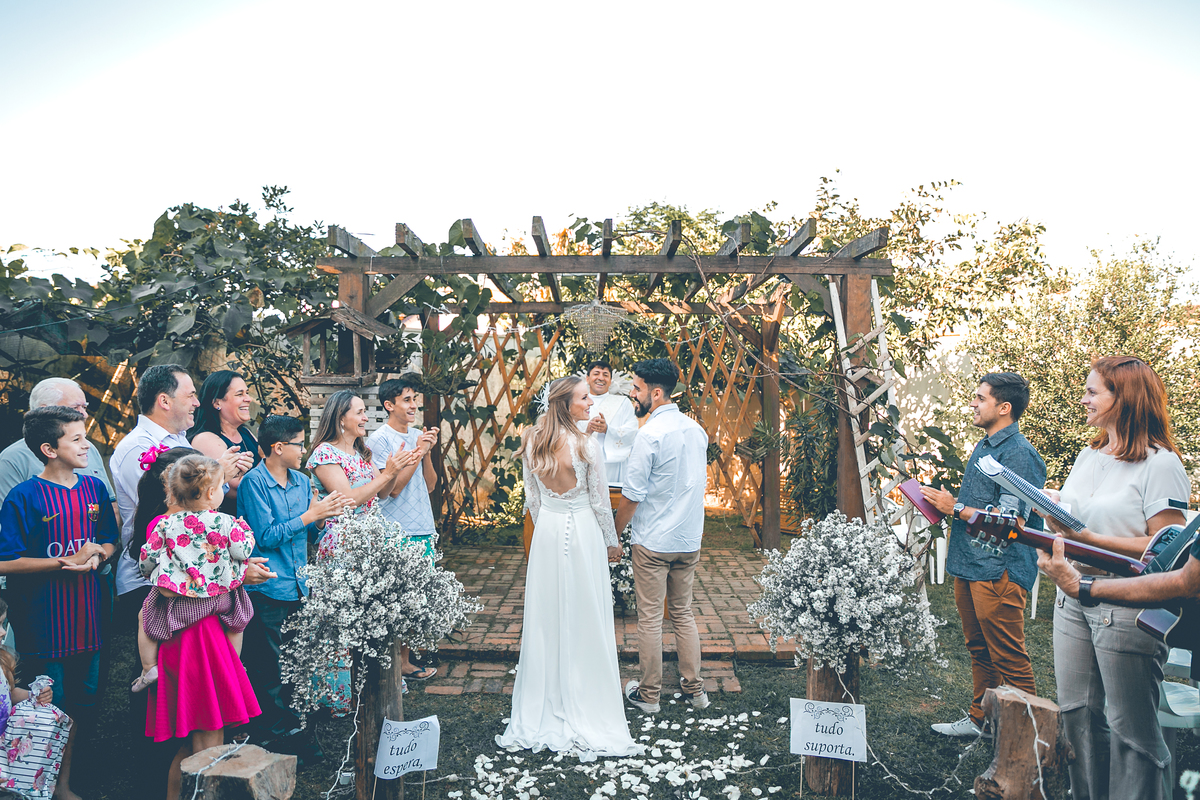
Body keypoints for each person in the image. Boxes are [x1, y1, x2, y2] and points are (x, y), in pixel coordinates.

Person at [1044, 356, 1190, 800]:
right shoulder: (1089, 454)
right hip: (1070, 599)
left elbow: (1168, 546)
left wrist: (1091, 536)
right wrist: (1052, 511)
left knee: (1130, 731)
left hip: (1124, 605)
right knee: (1078, 717)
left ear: (1124, 399)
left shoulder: (1160, 464)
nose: (1083, 399)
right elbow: (1076, 515)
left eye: (1093, 392)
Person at [496, 375, 642, 760]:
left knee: (546, 618)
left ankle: (545, 700)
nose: (591, 402)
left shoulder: (532, 441)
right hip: (582, 531)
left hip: (547, 531)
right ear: (565, 404)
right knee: (587, 613)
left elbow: (533, 501)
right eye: (583, 398)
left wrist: (547, 530)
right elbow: (597, 502)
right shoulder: (585, 445)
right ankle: (587, 696)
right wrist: (612, 542)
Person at [919, 373, 1044, 738]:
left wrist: (955, 508)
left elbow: (1013, 523)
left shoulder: (1019, 455)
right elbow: (980, 508)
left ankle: (1026, 739)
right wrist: (944, 506)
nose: (973, 403)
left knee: (1009, 657)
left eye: (980, 398)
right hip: (970, 564)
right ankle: (982, 720)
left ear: (1004, 408)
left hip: (999, 570)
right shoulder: (985, 445)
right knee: (979, 649)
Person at [0, 407, 118, 743]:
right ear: (49, 450)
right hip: (43, 623)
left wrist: (99, 555)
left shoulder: (94, 489)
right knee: (51, 703)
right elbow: (4, 562)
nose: (86, 446)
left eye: (86, 437)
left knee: (86, 698)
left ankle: (75, 773)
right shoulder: (23, 497)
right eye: (77, 439)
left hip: (89, 618)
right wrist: (64, 561)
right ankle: (44, 782)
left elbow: (109, 539)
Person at [238, 415, 350, 755]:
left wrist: (324, 517)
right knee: (270, 667)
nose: (304, 450)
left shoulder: (303, 483)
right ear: (278, 447)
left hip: (302, 587)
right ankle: (276, 734)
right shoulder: (253, 484)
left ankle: (298, 729)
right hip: (269, 588)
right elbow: (266, 537)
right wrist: (310, 517)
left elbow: (310, 534)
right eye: (299, 444)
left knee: (298, 662)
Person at [109, 365, 253, 621]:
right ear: (164, 401)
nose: (197, 403)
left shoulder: (179, 440)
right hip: (154, 577)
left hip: (190, 569)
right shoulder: (137, 448)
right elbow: (168, 509)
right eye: (190, 396)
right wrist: (220, 476)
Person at [613, 358, 710, 714]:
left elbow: (632, 495)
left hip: (653, 543)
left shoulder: (649, 435)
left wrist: (614, 535)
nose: (631, 393)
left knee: (651, 619)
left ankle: (650, 695)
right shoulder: (696, 430)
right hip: (688, 541)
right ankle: (695, 691)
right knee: (683, 614)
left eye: (636, 388)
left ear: (656, 393)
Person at [305, 390, 409, 712]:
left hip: (371, 540)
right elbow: (349, 499)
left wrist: (392, 470)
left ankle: (371, 683)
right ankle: (337, 694)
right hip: (344, 542)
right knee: (341, 620)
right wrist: (386, 474)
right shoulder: (325, 454)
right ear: (341, 418)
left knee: (370, 616)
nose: (366, 418)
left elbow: (384, 493)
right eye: (361, 412)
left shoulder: (361, 453)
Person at [131, 455, 256, 693]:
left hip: (177, 599)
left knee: (146, 616)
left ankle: (149, 667)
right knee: (237, 620)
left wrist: (154, 576)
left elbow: (146, 560)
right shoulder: (226, 522)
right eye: (221, 486)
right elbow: (242, 551)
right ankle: (234, 665)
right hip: (219, 597)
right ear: (211, 493)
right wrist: (245, 530)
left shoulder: (165, 524)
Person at [366, 375, 440, 681]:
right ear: (389, 405)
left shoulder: (416, 437)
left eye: (415, 399)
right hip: (396, 528)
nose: (413, 405)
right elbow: (392, 488)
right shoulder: (379, 440)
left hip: (422, 523)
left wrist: (427, 453)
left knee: (417, 597)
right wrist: (419, 451)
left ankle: (406, 661)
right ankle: (395, 666)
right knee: (397, 598)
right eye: (407, 400)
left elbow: (431, 485)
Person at [0, 378, 117, 521]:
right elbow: (9, 524)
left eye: (84, 407)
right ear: (43, 410)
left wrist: (103, 543)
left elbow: (111, 507)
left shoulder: (89, 448)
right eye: (75, 408)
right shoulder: (13, 459)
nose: (84, 415)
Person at [0, 597, 81, 800]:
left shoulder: (1, 661)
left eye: (3, 624)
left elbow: (8, 694)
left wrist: (33, 695)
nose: (3, 632)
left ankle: (55, 788)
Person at [189, 370, 261, 516]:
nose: (248, 399)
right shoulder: (206, 439)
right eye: (240, 394)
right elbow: (237, 489)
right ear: (217, 403)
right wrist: (268, 456)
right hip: (229, 526)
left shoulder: (245, 433)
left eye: (247, 393)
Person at [577, 360, 640, 487]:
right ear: (587, 378)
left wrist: (608, 430)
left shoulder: (623, 402)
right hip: (583, 461)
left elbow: (632, 430)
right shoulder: (577, 402)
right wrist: (588, 430)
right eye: (596, 373)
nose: (601, 378)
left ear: (610, 381)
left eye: (605, 375)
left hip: (614, 465)